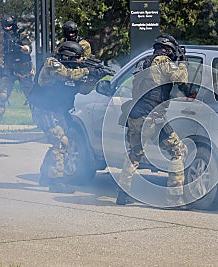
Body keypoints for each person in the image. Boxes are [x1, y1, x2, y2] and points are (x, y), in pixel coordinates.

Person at [116, 34, 189, 206]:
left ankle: (123, 192)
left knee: (134, 155)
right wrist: (183, 63)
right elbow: (182, 79)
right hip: (152, 117)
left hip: (135, 115)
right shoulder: (163, 61)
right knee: (179, 151)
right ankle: (175, 198)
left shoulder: (144, 61)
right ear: (169, 50)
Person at [29, 41, 105, 193]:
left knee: (63, 141)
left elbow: (84, 90)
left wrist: (94, 77)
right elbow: (63, 74)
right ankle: (56, 181)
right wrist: (86, 71)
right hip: (43, 109)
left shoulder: (75, 69)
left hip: (59, 110)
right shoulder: (52, 64)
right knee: (61, 141)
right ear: (67, 56)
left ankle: (46, 174)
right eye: (77, 58)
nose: (79, 61)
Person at [0, 15, 35, 132]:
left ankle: (41, 122)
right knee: (2, 96)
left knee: (32, 97)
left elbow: (29, 49)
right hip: (9, 71)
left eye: (10, 26)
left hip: (24, 71)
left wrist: (19, 47)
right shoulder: (2, 37)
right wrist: (2, 47)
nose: (8, 28)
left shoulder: (22, 34)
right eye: (6, 26)